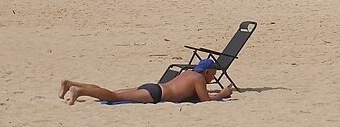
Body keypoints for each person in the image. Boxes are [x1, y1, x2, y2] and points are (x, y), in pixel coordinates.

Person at [59, 58, 232, 105]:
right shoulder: (199, 79)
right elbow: (205, 100)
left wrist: (215, 92)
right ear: (207, 71)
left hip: (154, 87)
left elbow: (197, 93)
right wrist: (222, 94)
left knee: (113, 92)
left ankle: (71, 84)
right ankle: (79, 91)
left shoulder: (189, 73)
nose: (213, 78)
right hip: (155, 94)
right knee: (113, 96)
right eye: (213, 74)